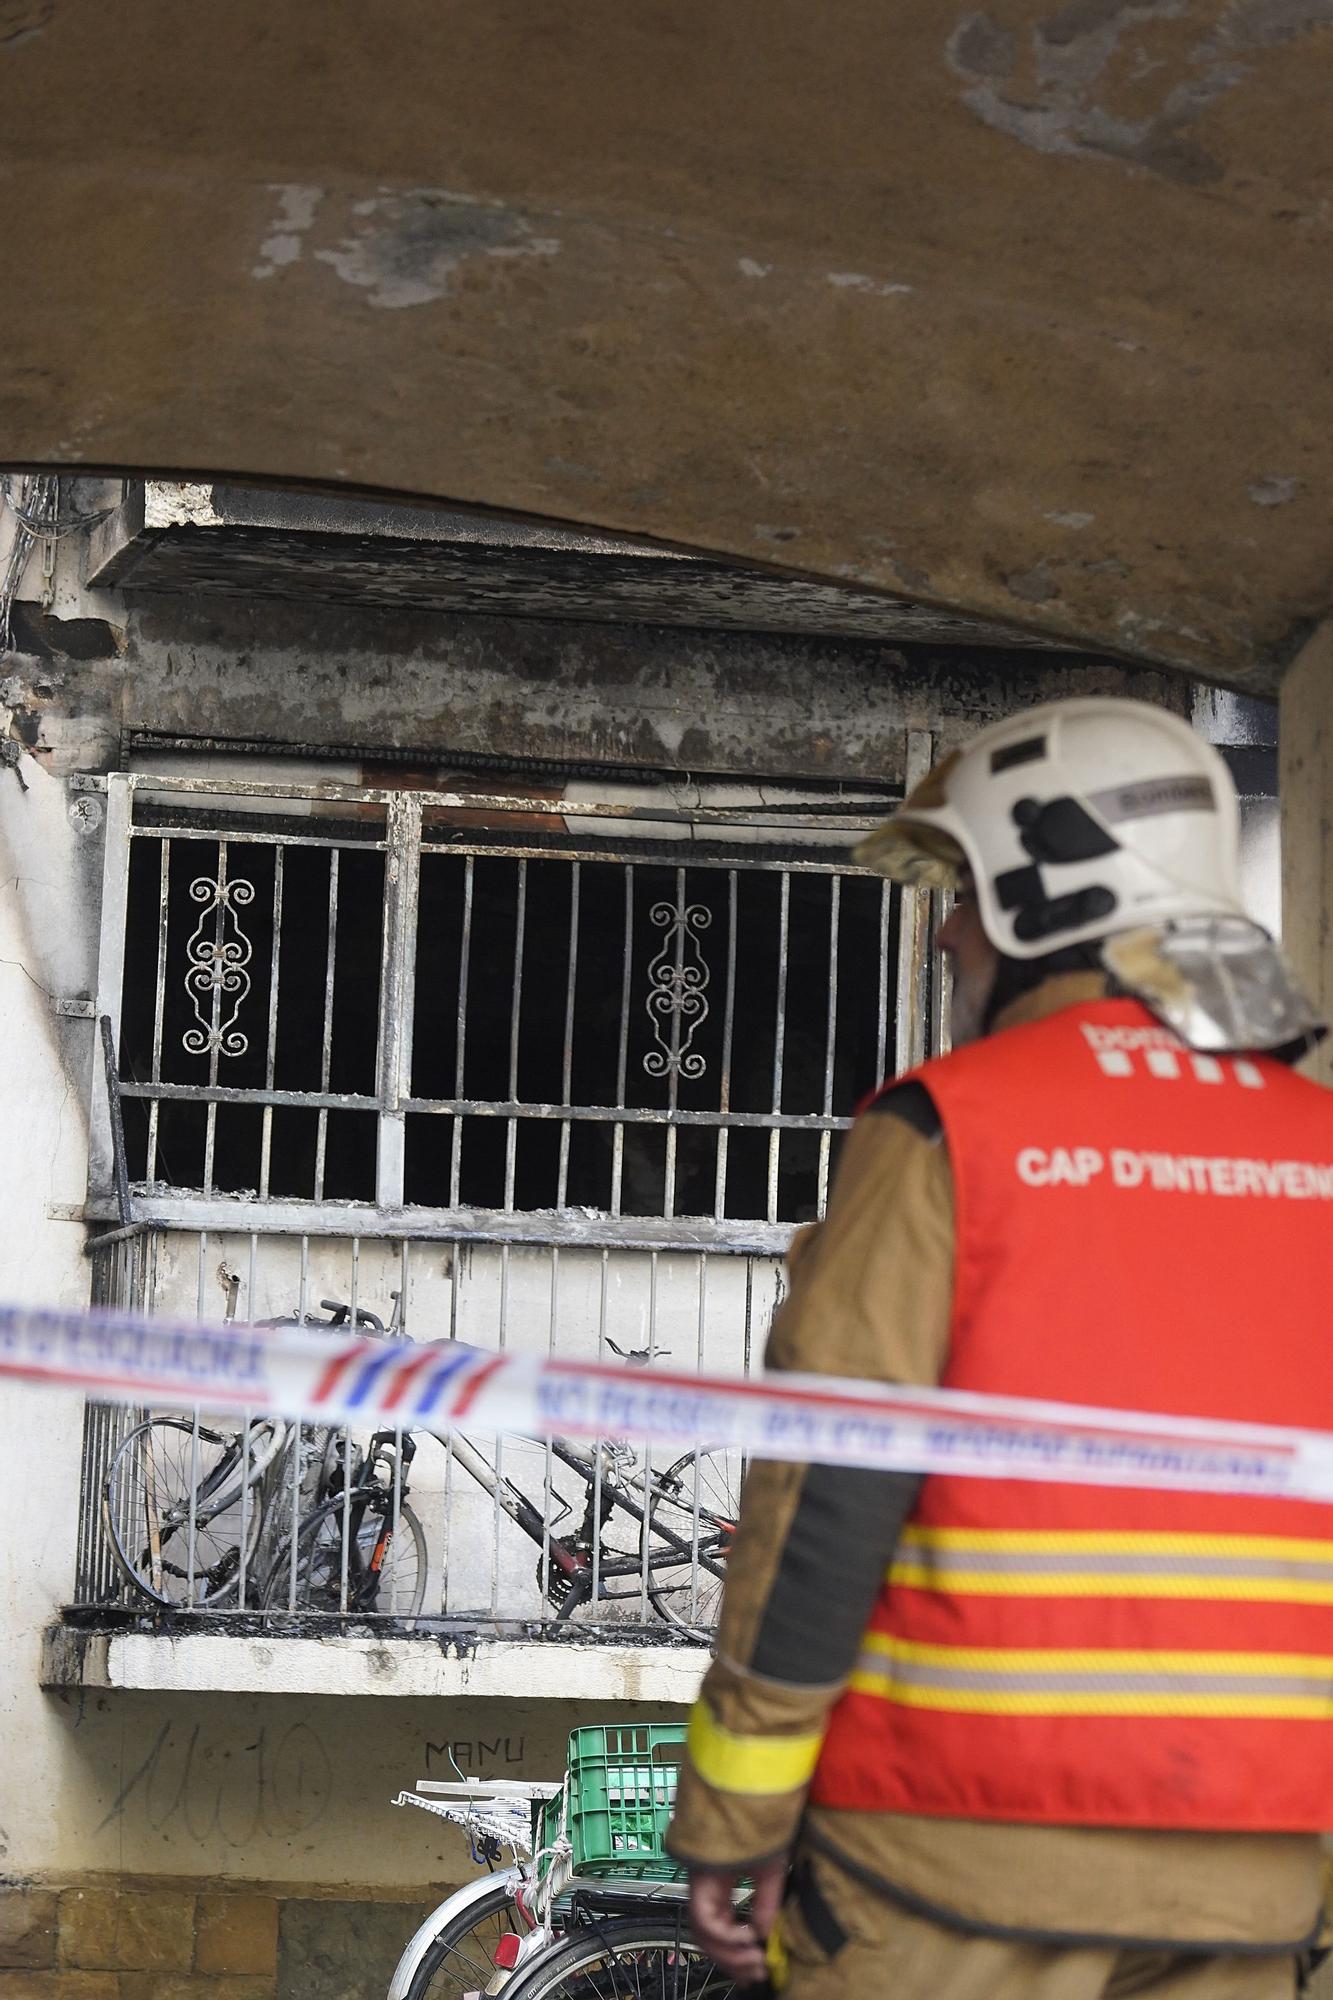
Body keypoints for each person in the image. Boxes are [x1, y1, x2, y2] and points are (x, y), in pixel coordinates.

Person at [665, 697, 1333, 2000]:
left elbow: (825, 1502)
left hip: (948, 1850)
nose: (948, 931)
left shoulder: (943, 1131)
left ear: (1048, 896)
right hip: (1256, 1874)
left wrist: (734, 1815)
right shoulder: (1320, 1149)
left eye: (965, 891)